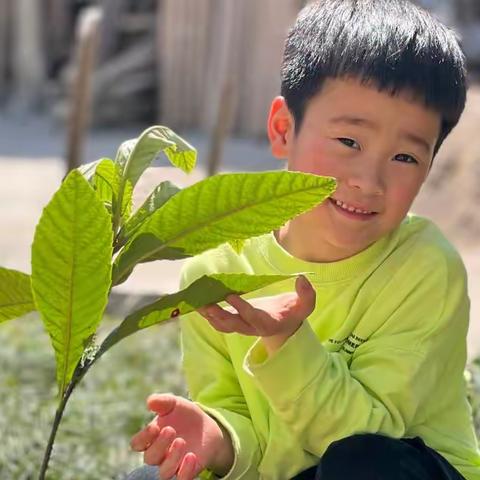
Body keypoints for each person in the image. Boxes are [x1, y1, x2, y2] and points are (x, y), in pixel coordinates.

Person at [128, 0, 480, 478]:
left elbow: (372, 435)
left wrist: (288, 340)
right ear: (282, 130)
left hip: (406, 465)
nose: (369, 181)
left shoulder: (423, 268)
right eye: (349, 143)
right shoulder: (214, 274)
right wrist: (219, 439)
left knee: (361, 464)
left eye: (405, 158)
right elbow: (246, 425)